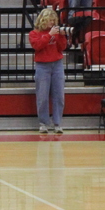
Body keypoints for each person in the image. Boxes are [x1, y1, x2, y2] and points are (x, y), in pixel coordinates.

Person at [29, 7, 67, 135]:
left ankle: (57, 123)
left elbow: (62, 47)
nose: (52, 23)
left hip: (57, 65)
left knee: (59, 96)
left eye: (53, 20)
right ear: (43, 20)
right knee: (42, 96)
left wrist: (61, 37)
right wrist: (49, 35)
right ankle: (43, 123)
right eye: (49, 20)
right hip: (42, 66)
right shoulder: (34, 33)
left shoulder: (57, 32)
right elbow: (37, 46)